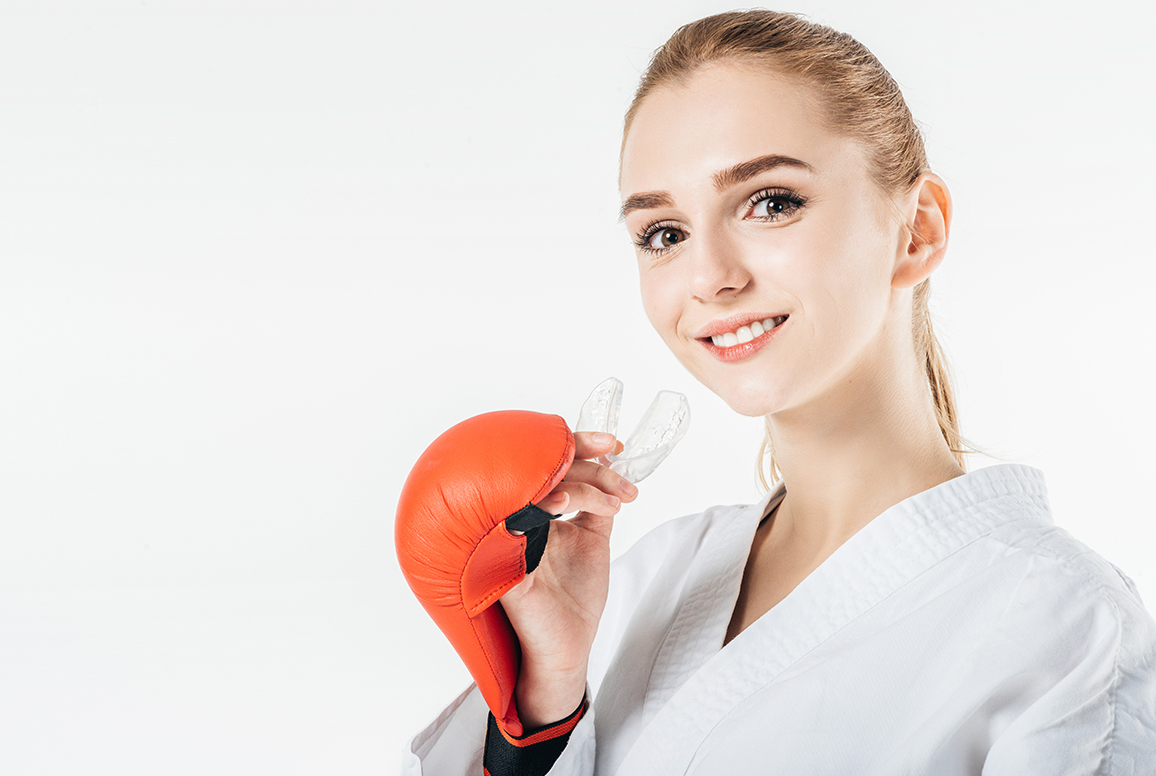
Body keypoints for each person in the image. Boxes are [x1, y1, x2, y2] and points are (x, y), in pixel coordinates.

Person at [401, 10, 1156, 774]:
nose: (710, 277)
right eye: (664, 233)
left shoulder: (1065, 627)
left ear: (917, 230)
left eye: (770, 201)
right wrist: (544, 703)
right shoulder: (645, 579)